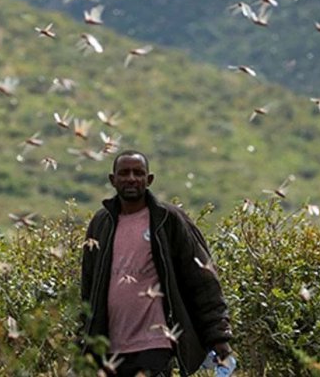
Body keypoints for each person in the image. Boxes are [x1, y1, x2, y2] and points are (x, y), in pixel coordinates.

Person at [80, 150, 233, 376]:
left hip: (155, 345)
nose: (131, 178)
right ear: (112, 180)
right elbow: (89, 288)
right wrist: (84, 341)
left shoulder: (167, 220)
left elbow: (202, 280)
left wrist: (219, 337)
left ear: (149, 179)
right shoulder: (101, 224)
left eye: (138, 173)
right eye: (124, 173)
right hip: (109, 347)